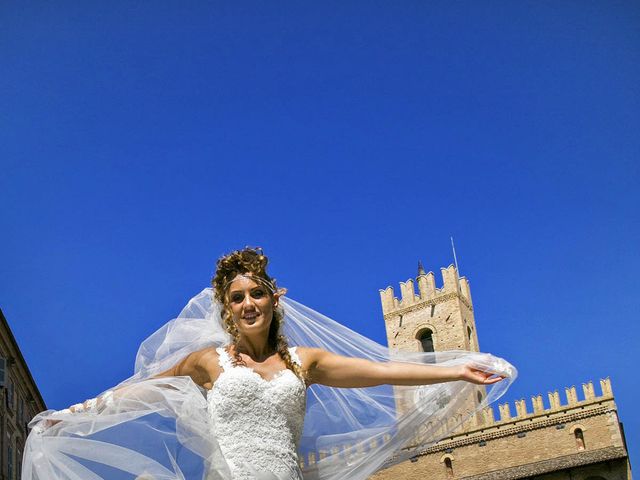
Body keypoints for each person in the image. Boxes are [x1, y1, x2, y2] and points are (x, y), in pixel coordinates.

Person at [23, 247, 517, 480]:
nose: (248, 304)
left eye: (256, 293)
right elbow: (140, 390)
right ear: (226, 308)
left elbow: (382, 369)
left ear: (273, 300)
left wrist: (454, 370)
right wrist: (76, 414)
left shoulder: (304, 362)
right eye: (237, 298)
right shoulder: (206, 363)